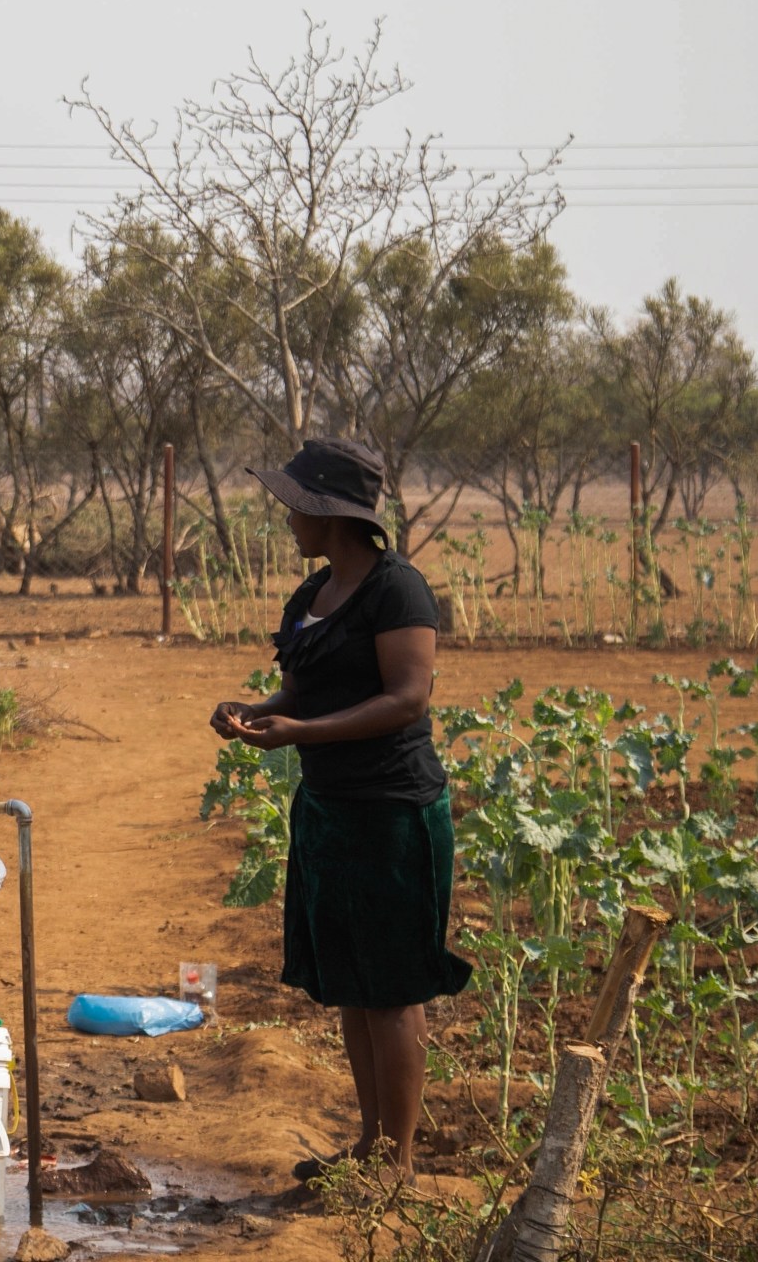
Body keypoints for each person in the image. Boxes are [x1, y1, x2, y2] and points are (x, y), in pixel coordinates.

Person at [207, 438, 472, 1184]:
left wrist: (302, 733)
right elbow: (302, 693)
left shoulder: (398, 590)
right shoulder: (310, 598)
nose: (287, 518)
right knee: (355, 991)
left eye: (295, 506)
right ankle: (370, 1145)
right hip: (330, 809)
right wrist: (254, 713)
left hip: (393, 812)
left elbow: (408, 697)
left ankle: (401, 1163)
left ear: (328, 513)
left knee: (392, 996)